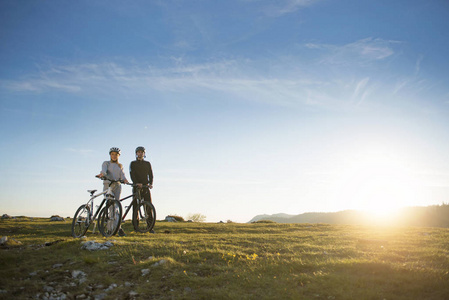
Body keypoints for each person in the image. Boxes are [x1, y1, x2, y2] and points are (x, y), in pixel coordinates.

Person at [97, 147, 129, 236]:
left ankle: (117, 228)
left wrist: (125, 180)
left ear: (119, 156)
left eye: (116, 154)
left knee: (116, 207)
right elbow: (104, 171)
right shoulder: (106, 163)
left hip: (117, 186)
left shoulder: (120, 165)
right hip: (108, 185)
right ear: (110, 155)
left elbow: (122, 175)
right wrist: (102, 174)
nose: (114, 156)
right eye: (112, 154)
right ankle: (111, 229)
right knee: (110, 207)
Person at [129, 146, 154, 232]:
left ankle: (150, 227)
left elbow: (150, 174)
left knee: (148, 207)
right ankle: (136, 227)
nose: (140, 153)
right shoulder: (133, 163)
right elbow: (132, 174)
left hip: (145, 186)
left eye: (142, 152)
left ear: (144, 154)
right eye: (138, 152)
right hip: (136, 187)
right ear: (136, 153)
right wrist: (136, 183)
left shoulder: (147, 163)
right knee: (135, 207)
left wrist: (150, 183)